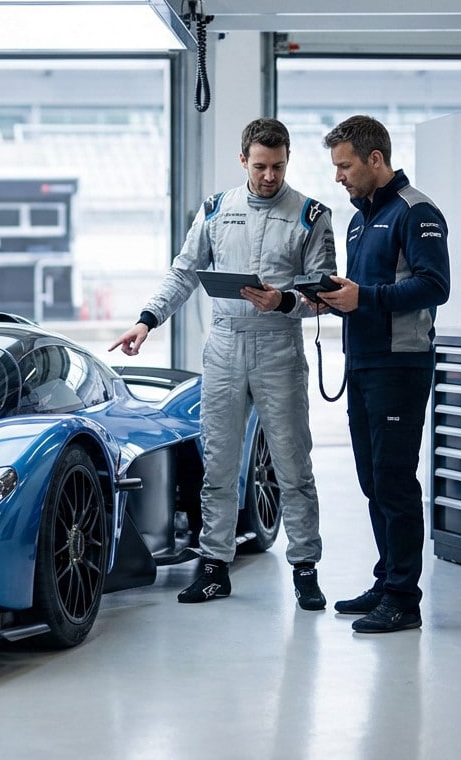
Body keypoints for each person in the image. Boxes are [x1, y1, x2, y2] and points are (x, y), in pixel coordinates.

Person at [110, 117, 337, 610]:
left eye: (278, 167)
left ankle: (305, 569)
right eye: (260, 166)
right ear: (243, 161)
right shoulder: (216, 210)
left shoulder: (312, 215)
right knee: (218, 463)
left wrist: (283, 301)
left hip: (279, 346)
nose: (269, 177)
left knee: (293, 463)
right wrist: (147, 320)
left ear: (288, 160)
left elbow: (325, 295)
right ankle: (214, 567)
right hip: (225, 346)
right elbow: (184, 271)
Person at [318, 114, 450, 633]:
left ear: (376, 159)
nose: (338, 177)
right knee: (373, 482)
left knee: (394, 483)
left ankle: (403, 598)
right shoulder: (358, 218)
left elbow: (434, 285)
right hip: (365, 362)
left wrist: (363, 297)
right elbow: (362, 296)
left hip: (401, 364)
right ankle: (385, 580)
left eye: (345, 166)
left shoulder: (416, 212)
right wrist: (320, 299)